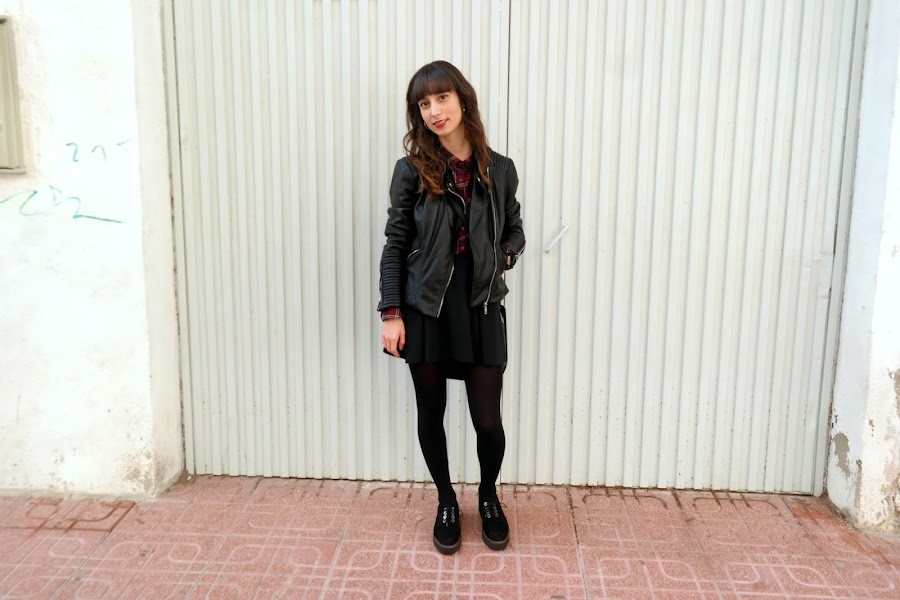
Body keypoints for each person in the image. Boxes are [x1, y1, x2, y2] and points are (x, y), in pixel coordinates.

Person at [378, 61, 526, 555]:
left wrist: (504, 256)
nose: (434, 110)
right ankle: (446, 500)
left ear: (463, 99)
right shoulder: (411, 171)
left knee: (488, 420)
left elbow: (514, 228)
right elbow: (396, 242)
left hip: (480, 304)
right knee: (431, 411)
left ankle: (487, 496)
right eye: (424, 103)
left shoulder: (500, 169)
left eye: (442, 98)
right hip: (426, 305)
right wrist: (391, 311)